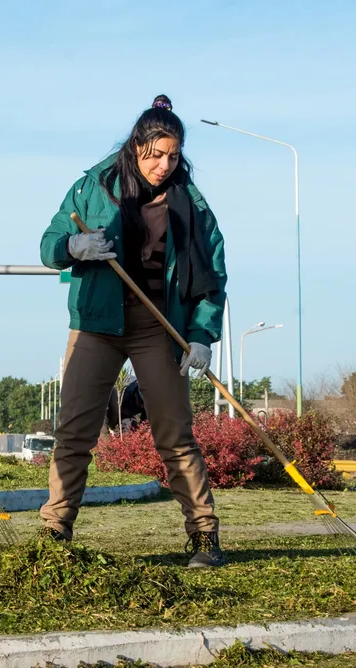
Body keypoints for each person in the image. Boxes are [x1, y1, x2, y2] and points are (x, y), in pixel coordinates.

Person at [38, 95, 228, 568]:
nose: (164, 165)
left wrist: (202, 334)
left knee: (175, 435)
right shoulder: (93, 188)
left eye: (173, 156)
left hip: (159, 328)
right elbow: (48, 245)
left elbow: (213, 278)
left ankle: (204, 535)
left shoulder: (193, 206)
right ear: (135, 145)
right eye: (155, 154)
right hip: (96, 325)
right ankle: (54, 530)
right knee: (75, 432)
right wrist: (74, 246)